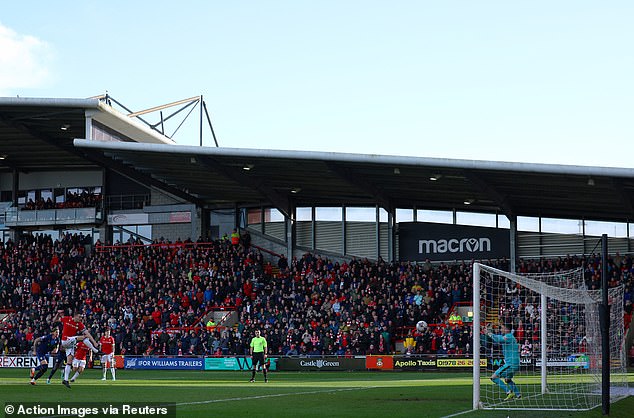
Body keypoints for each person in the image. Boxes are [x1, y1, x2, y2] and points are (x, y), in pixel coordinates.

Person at [59, 310, 100, 388]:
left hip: (70, 343)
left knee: (69, 362)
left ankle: (65, 380)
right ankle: (95, 350)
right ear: (75, 316)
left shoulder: (80, 324)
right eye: (79, 316)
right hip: (65, 340)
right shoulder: (67, 319)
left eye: (81, 317)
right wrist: (58, 314)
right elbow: (55, 320)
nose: (81, 318)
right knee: (83, 337)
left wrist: (94, 342)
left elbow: (87, 333)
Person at [483, 323, 521, 401]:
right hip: (515, 363)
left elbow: (499, 339)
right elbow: (498, 338)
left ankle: (509, 392)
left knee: (493, 377)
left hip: (511, 363)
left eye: (502, 328)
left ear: (507, 329)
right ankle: (518, 394)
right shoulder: (510, 337)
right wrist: (489, 332)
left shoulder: (509, 336)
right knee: (507, 379)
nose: (501, 329)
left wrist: (489, 333)